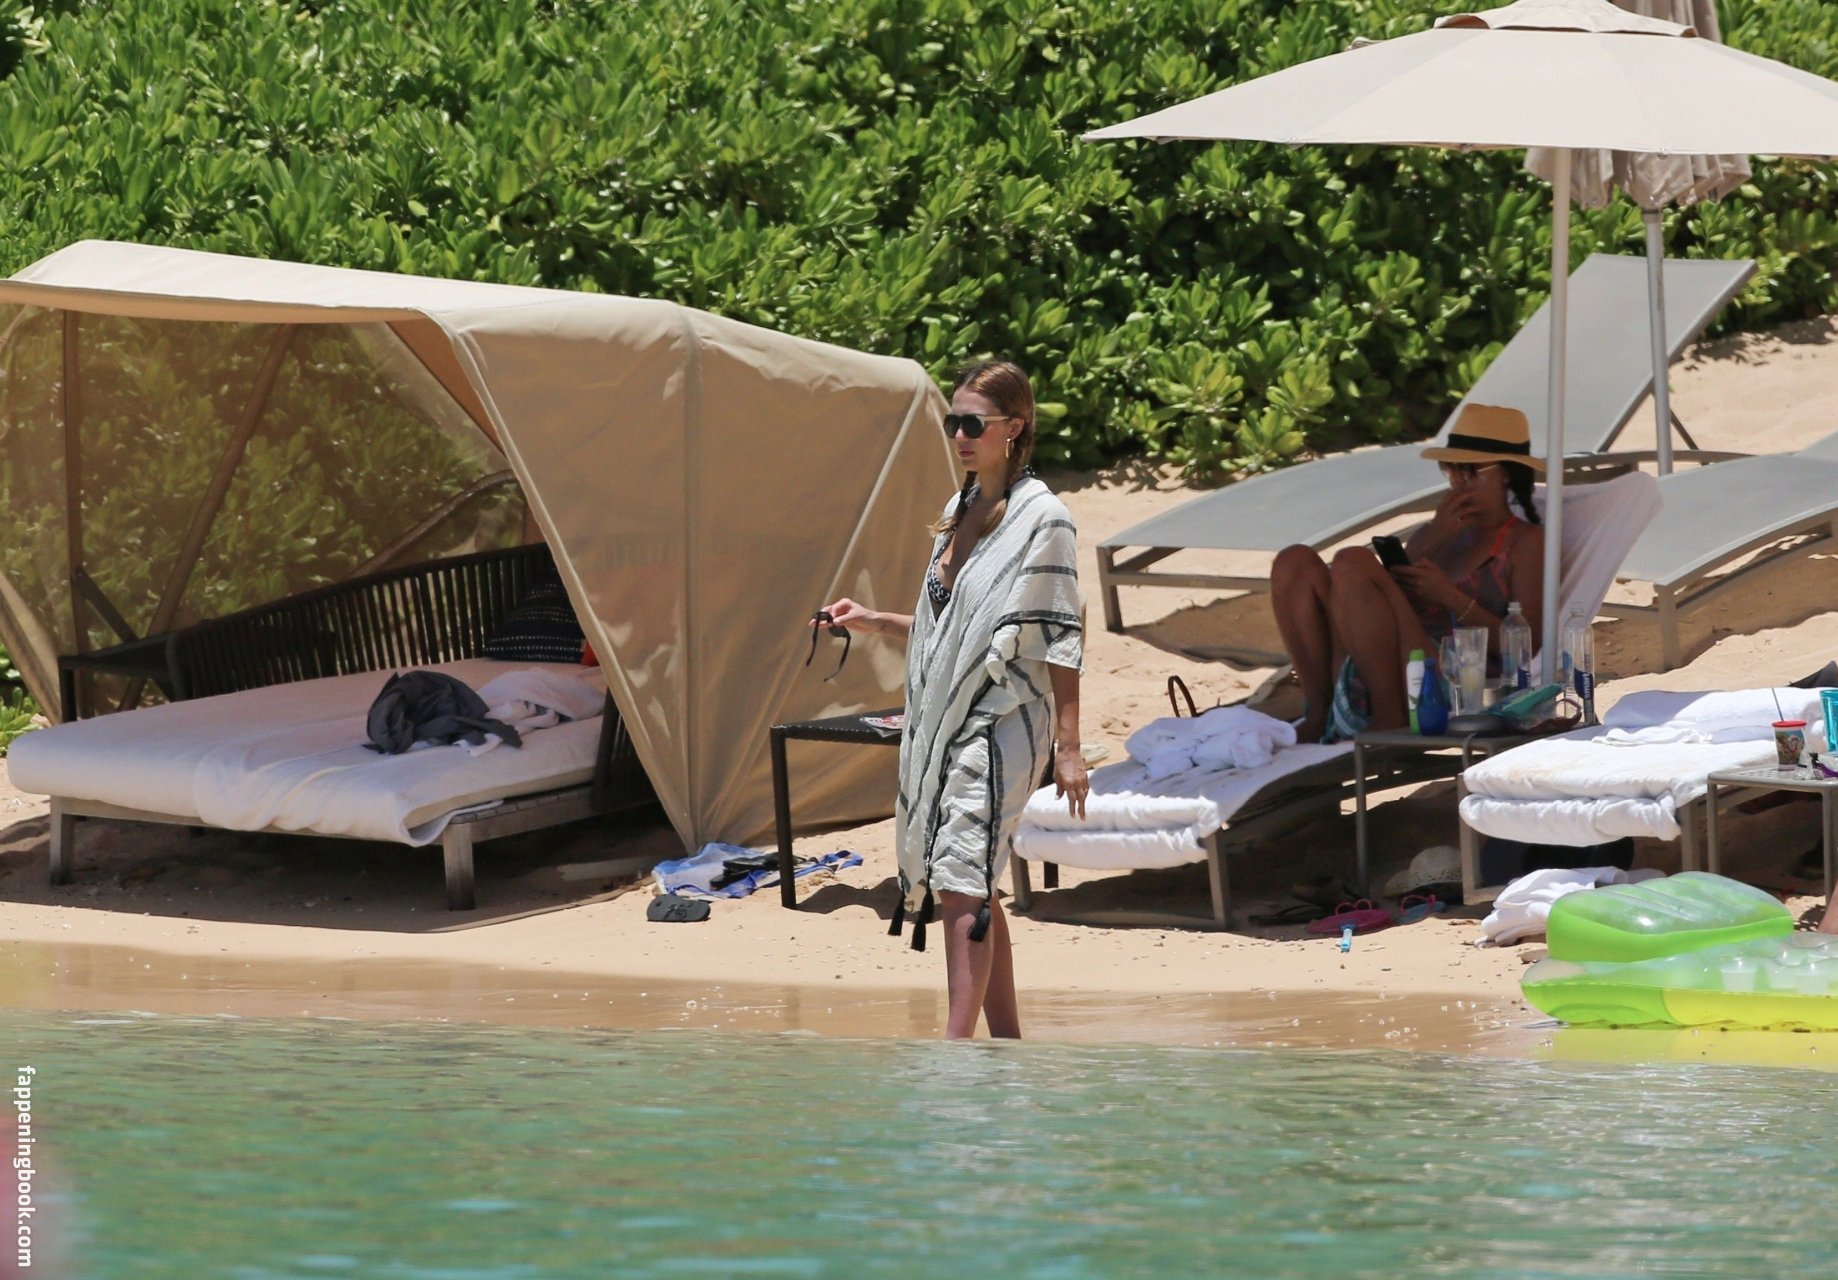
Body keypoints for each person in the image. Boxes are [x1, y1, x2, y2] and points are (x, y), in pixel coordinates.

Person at [816, 360, 1087, 1039]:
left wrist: (1071, 748)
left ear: (1014, 427)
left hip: (1004, 716)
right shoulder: (958, 509)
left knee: (961, 875)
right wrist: (875, 621)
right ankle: (1005, 1045)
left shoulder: (1045, 519)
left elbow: (1059, 636)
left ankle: (953, 1052)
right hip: (948, 719)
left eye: (973, 423)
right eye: (953, 423)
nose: (960, 436)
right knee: (973, 878)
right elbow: (956, 629)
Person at [1270, 403, 1547, 743]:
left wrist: (1449, 597)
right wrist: (1434, 538)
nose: (1458, 481)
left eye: (1471, 470)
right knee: (1294, 562)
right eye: (1451, 469)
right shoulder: (1436, 532)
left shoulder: (1526, 542)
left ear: (1506, 473)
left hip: (1451, 677)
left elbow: (1526, 645)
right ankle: (1318, 711)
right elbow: (1364, 597)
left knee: (1352, 560)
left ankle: (1390, 715)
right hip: (1382, 657)